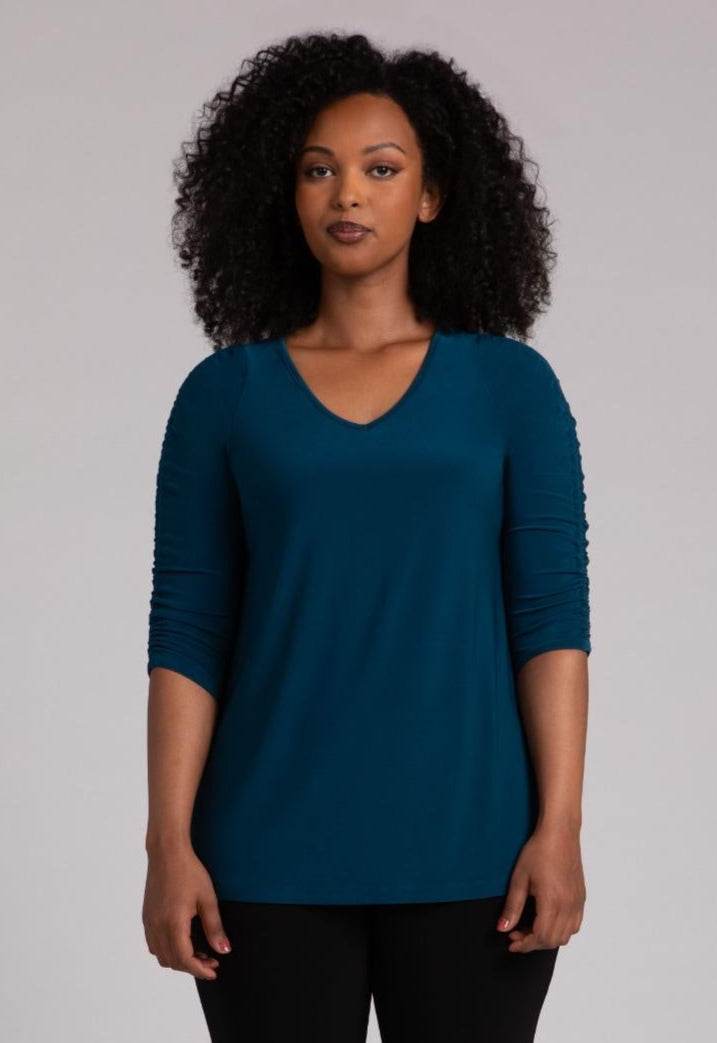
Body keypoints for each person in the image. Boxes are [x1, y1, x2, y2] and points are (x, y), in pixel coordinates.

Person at [142, 30, 592, 1043]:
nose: (347, 193)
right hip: (263, 856)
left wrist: (558, 827)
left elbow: (549, 619)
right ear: (285, 193)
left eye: (380, 169)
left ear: (430, 195)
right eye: (319, 170)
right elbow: (189, 631)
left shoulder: (510, 387)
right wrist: (168, 843)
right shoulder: (224, 396)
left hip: (477, 856)